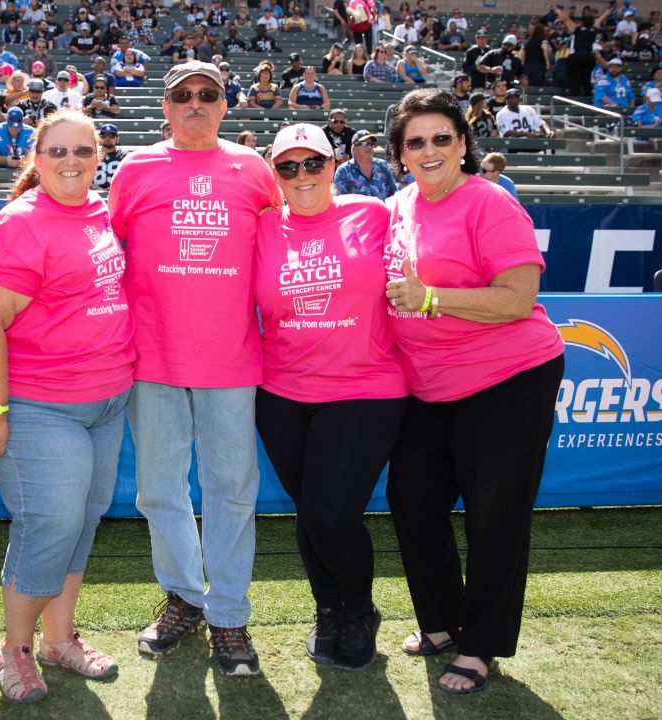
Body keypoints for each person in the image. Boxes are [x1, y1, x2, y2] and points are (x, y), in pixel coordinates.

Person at [381, 88, 565, 695]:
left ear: (463, 143)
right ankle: (440, 623)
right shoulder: (399, 205)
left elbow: (518, 299)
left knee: (495, 517)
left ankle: (482, 643)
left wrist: (433, 298)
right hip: (429, 388)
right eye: (416, 141)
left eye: (442, 138)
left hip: (508, 380)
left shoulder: (490, 204)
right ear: (399, 153)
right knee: (412, 502)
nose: (429, 150)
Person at [107, 61, 281, 678]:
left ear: (225, 104)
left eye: (208, 94)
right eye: (183, 96)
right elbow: (110, 241)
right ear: (166, 106)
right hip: (150, 357)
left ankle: (229, 614)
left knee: (232, 489)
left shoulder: (254, 169)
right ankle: (184, 595)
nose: (196, 103)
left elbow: (284, 244)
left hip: (232, 359)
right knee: (158, 490)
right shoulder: (136, 168)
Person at [0, 109, 133, 704]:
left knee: (83, 519)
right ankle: (14, 648)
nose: (70, 162)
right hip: (40, 404)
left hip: (107, 400)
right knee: (50, 521)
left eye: (82, 152)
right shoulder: (19, 223)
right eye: (57, 152)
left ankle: (59, 638)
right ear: (36, 157)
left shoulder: (99, 209)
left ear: (97, 157)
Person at [256, 121, 409, 670]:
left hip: (366, 386)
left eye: (312, 163)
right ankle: (329, 610)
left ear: (332, 164)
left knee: (330, 513)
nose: (302, 176)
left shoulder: (373, 214)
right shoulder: (262, 228)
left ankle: (360, 610)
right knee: (310, 511)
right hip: (281, 391)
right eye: (287, 166)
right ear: (274, 173)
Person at [332, 130, 397, 200]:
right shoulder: (343, 170)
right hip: (356, 210)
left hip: (382, 209)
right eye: (364, 144)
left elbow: (394, 194)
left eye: (371, 144)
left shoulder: (383, 166)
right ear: (354, 149)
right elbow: (339, 200)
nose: (369, 147)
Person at [93, 122, 124, 190]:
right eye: (104, 135)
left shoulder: (124, 156)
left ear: (117, 139)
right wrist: (95, 188)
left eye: (111, 135)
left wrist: (113, 188)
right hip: (95, 193)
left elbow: (129, 177)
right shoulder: (91, 155)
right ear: (99, 138)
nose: (107, 138)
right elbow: (83, 175)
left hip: (118, 193)